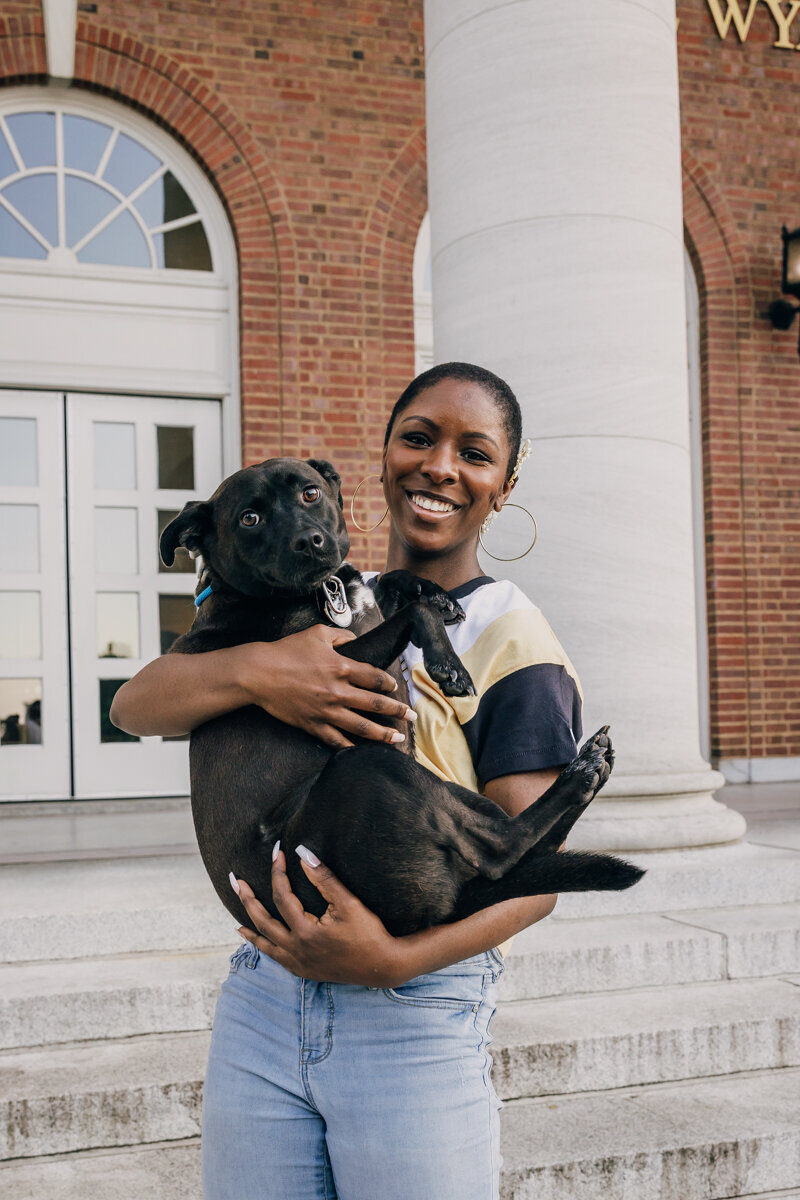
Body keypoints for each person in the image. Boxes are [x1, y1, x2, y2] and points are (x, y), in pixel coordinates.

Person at [110, 362, 583, 1200]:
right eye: (418, 438)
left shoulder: (512, 638)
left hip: (411, 1012)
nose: (440, 466)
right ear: (382, 457)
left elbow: (531, 877)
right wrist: (263, 671)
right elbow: (139, 703)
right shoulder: (310, 595)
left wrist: (391, 961)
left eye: (474, 453)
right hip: (264, 997)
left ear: (503, 487)